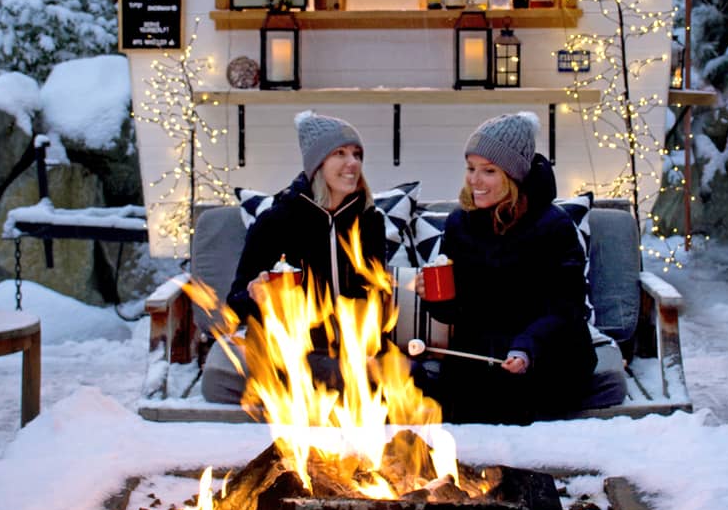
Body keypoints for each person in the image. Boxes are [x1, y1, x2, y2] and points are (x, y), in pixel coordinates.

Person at [418, 111, 595, 423]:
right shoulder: (460, 223)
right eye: (471, 168)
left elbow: (565, 308)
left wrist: (527, 347)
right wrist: (437, 299)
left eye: (488, 171)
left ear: (514, 176)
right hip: (481, 353)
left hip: (545, 350)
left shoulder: (554, 227)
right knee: (445, 401)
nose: (475, 180)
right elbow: (457, 313)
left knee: (510, 400)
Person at [224, 111, 388, 383]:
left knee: (409, 376)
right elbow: (235, 303)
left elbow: (374, 294)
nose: (353, 163)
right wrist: (255, 296)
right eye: (340, 153)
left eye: (357, 154)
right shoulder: (276, 221)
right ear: (317, 164)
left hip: (356, 345)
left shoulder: (370, 222)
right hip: (292, 346)